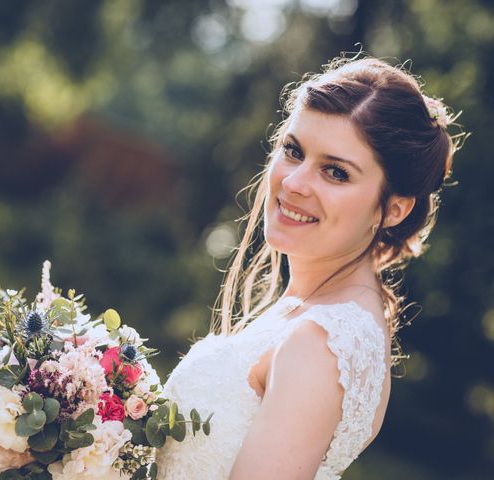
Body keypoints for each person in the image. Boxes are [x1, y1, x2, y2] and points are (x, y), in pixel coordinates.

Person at [154, 53, 467, 479]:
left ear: (394, 209)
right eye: (293, 150)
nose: (295, 182)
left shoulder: (322, 342)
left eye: (336, 172)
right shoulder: (310, 311)